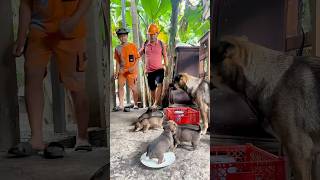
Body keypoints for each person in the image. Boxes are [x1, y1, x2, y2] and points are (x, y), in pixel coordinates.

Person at [9, 0, 93, 158]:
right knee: (32, 74)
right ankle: (36, 139)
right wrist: (21, 37)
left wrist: (74, 20)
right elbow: (26, 4)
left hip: (71, 31)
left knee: (76, 85)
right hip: (38, 30)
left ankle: (82, 138)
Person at [139, 24, 168, 110]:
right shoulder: (145, 44)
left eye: (153, 34)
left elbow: (165, 56)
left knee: (159, 84)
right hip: (149, 71)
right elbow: (139, 54)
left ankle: (155, 103)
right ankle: (157, 104)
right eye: (150, 34)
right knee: (152, 88)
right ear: (148, 34)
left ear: (157, 34)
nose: (152, 36)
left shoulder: (161, 43)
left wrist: (166, 66)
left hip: (159, 69)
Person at [113, 28, 140, 112]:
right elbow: (117, 61)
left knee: (133, 88)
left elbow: (137, 58)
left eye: (124, 36)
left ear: (127, 36)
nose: (123, 38)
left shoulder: (132, 46)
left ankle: (135, 104)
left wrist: (134, 68)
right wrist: (116, 72)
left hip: (132, 71)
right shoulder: (117, 48)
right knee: (120, 87)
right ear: (118, 38)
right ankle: (121, 105)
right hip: (122, 70)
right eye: (120, 36)